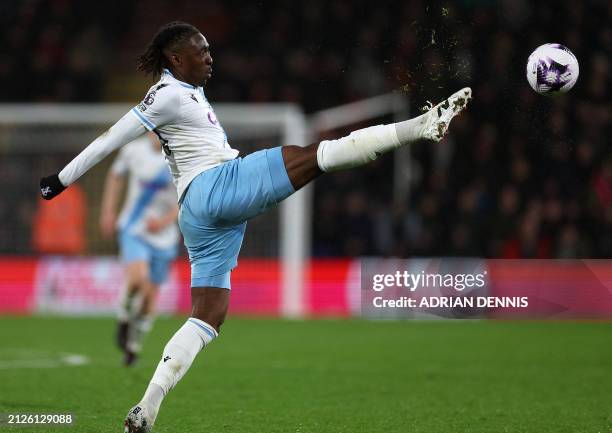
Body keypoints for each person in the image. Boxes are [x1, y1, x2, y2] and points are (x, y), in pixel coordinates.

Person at [39, 21, 471, 433]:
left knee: (208, 315)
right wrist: (60, 180)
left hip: (198, 214)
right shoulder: (166, 94)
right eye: (201, 50)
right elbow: (113, 137)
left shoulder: (187, 92)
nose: (210, 57)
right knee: (316, 155)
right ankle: (421, 126)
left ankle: (147, 407)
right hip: (216, 187)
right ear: (175, 56)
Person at [99, 132, 179, 366]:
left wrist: (164, 221)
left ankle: (133, 346)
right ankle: (124, 318)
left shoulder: (179, 154)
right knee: (136, 279)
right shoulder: (133, 150)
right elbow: (115, 176)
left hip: (163, 235)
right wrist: (108, 210)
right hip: (134, 226)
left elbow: (187, 195)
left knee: (148, 300)